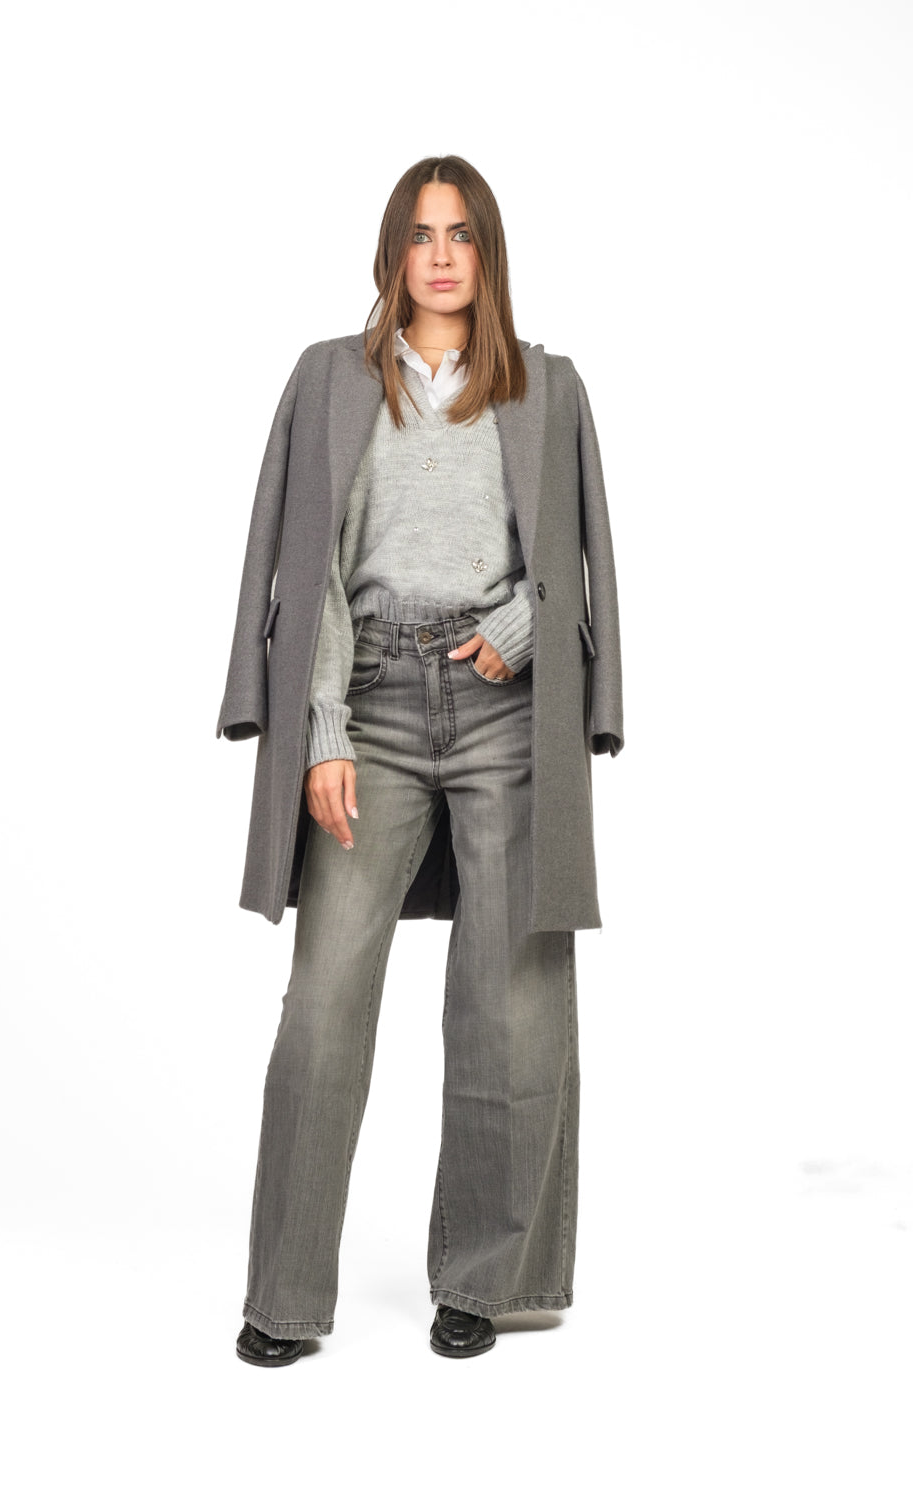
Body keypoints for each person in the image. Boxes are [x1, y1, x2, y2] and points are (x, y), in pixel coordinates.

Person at [216, 155, 624, 1366]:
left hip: (507, 713)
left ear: (486, 253)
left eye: (461, 234)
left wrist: (515, 634)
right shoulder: (329, 379)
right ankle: (284, 1299)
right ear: (392, 251)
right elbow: (307, 570)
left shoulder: (548, 388)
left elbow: (573, 563)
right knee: (322, 1009)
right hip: (375, 703)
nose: (440, 256)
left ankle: (486, 1283)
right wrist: (323, 730)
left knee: (512, 1002)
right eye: (419, 233)